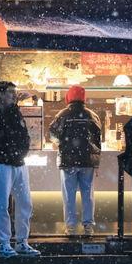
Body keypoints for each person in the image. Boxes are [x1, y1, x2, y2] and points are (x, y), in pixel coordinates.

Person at [0, 81, 40, 257]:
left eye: (14, 91)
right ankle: (4, 242)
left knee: (25, 203)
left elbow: (22, 134)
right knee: (2, 203)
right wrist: (10, 152)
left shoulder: (12, 112)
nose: (14, 95)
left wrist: (21, 151)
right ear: (0, 94)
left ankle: (21, 241)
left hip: (16, 162)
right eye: (10, 92)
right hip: (2, 163)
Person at [49, 85, 101, 236]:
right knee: (88, 195)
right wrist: (96, 161)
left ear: (69, 97)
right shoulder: (92, 115)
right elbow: (97, 140)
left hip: (68, 161)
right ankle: (88, 227)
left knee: (69, 195)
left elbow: (53, 135)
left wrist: (61, 143)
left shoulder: (62, 114)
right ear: (84, 98)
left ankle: (70, 227)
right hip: (87, 161)